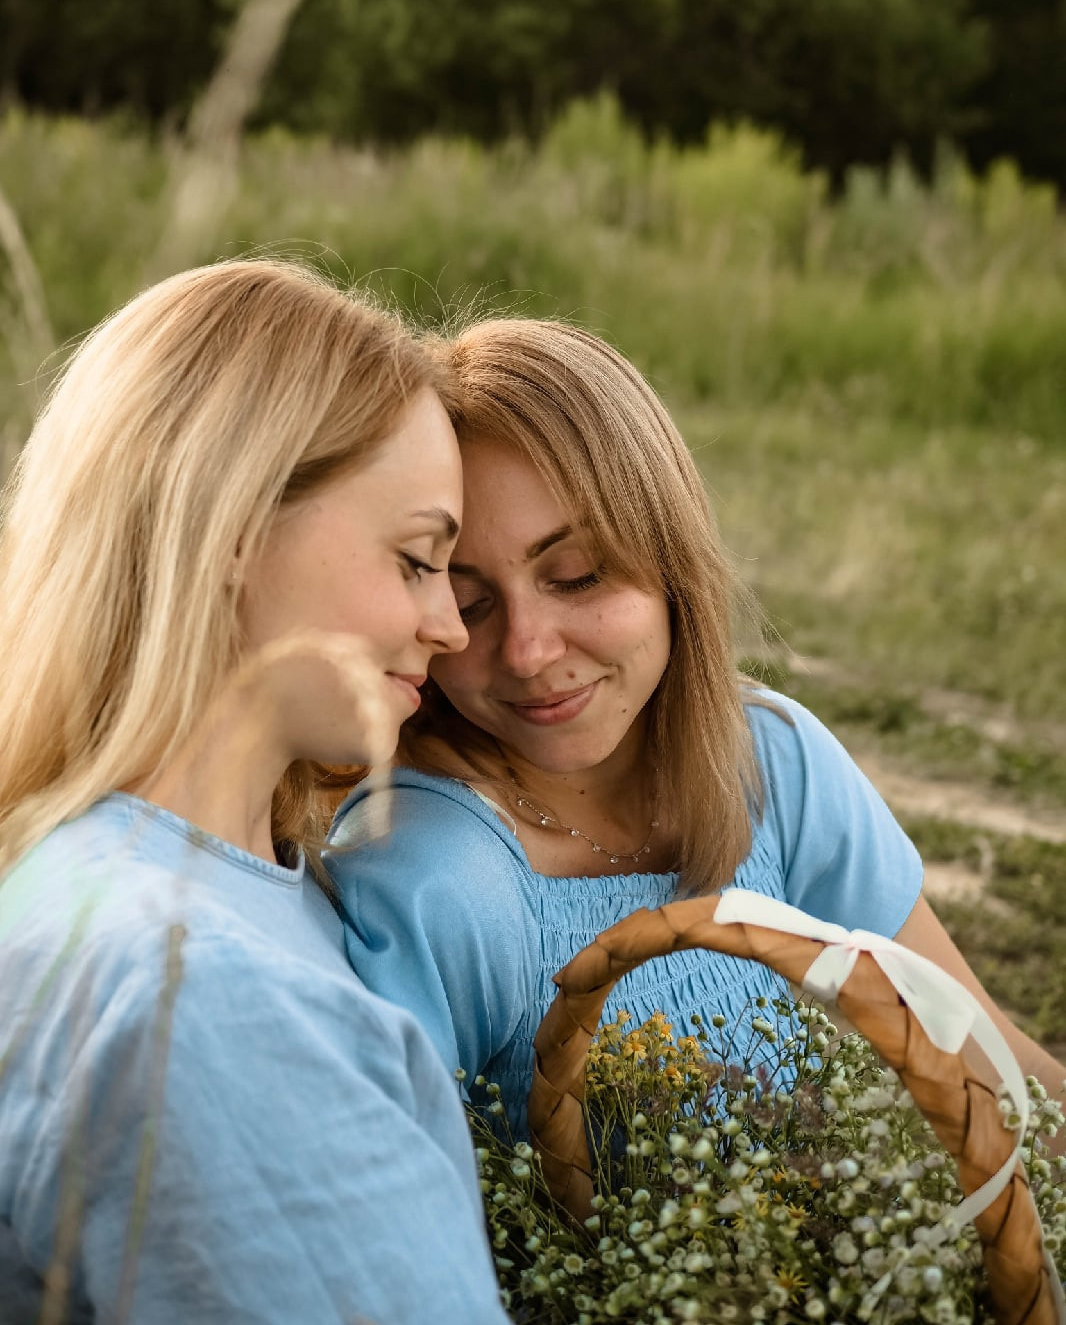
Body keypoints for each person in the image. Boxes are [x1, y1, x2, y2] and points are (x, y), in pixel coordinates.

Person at [325, 317, 1066, 1141]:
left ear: (671, 558)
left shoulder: (772, 764)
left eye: (577, 576)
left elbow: (997, 1071)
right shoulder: (427, 873)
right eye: (469, 603)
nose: (529, 652)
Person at [0, 259, 511, 1325]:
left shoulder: (111, 870)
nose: (451, 628)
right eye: (419, 559)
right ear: (234, 526)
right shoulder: (207, 998)